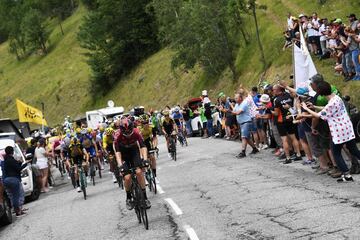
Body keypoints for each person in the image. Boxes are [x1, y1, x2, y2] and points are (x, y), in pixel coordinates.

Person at [302, 81, 360, 182]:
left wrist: (306, 108)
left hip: (338, 131)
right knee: (353, 150)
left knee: (335, 152)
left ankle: (346, 175)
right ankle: (346, 174)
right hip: (347, 128)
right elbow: (327, 109)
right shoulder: (336, 98)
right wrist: (314, 107)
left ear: (320, 93)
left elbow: (318, 115)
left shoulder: (331, 103)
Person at [114, 117, 150, 210]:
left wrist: (145, 159)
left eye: (129, 131)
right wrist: (120, 165)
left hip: (134, 151)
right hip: (123, 154)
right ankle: (129, 197)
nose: (128, 134)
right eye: (125, 132)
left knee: (139, 172)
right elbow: (117, 152)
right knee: (127, 177)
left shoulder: (136, 132)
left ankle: (145, 198)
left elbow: (143, 146)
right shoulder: (117, 135)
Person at [272, 84, 302, 164]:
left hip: (281, 121)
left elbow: (276, 113)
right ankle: (298, 154)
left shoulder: (276, 99)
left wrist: (270, 110)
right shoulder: (289, 95)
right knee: (293, 137)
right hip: (290, 118)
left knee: (284, 139)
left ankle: (288, 157)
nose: (273, 91)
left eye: (274, 90)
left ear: (278, 90)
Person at [2, 146, 30, 217]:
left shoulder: (5, 161)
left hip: (5, 180)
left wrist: (19, 163)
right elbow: (18, 169)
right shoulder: (11, 160)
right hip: (14, 179)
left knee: (11, 195)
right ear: (12, 152)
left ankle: (15, 209)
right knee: (18, 195)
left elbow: (13, 168)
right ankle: (18, 211)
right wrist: (26, 163)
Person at [231, 90, 259, 158]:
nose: (235, 99)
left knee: (244, 137)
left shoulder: (244, 103)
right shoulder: (237, 104)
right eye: (235, 98)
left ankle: (243, 152)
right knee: (247, 138)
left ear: (240, 98)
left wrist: (229, 111)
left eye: (236, 98)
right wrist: (225, 110)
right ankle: (255, 149)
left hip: (246, 122)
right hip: (241, 123)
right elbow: (234, 111)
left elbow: (238, 112)